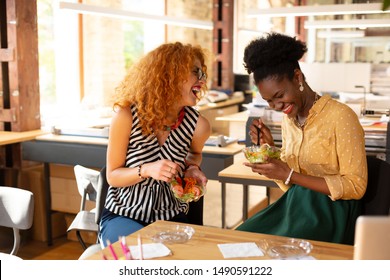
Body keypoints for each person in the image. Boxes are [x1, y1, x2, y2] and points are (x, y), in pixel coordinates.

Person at [236, 32, 367, 245]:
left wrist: (289, 174)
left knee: (264, 250)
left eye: (279, 96)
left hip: (331, 213)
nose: (276, 106)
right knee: (239, 238)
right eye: (269, 101)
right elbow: (290, 185)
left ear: (297, 77)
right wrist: (271, 152)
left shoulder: (340, 116)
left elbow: (356, 186)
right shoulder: (290, 119)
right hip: (297, 205)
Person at [99, 42, 211, 246]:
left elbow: (194, 155)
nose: (202, 80)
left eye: (202, 73)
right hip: (124, 215)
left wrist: (192, 168)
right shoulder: (126, 117)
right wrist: (147, 170)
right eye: (196, 72)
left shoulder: (198, 126)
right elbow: (113, 176)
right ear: (170, 75)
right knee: (142, 255)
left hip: (171, 217)